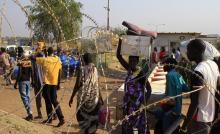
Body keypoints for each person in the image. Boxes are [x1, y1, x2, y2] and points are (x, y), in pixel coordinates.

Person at [181, 39, 219, 134]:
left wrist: (184, 126)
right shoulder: (213, 65)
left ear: (197, 51)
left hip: (199, 119)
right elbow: (217, 92)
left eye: (189, 50)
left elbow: (194, 103)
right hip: (211, 116)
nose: (187, 53)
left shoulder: (198, 72)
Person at [117, 39, 151, 134]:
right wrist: (120, 42)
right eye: (130, 60)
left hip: (137, 105)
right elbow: (118, 56)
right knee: (128, 127)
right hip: (128, 105)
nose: (131, 62)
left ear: (137, 61)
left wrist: (143, 104)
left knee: (137, 128)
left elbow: (149, 89)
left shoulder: (140, 73)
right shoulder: (129, 69)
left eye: (133, 60)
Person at [69, 53, 103, 134]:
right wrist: (100, 98)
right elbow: (97, 84)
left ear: (84, 60)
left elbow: (77, 85)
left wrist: (72, 97)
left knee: (81, 116)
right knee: (93, 116)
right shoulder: (95, 69)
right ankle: (91, 131)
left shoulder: (82, 69)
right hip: (94, 97)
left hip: (83, 98)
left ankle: (87, 130)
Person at [153, 58, 188, 134]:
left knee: (166, 131)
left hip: (170, 111)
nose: (163, 66)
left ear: (169, 65)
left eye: (165, 64)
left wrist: (159, 108)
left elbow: (170, 99)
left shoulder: (169, 75)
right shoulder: (179, 75)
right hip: (178, 110)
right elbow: (186, 88)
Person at [36, 47, 65, 127]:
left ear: (47, 53)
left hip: (47, 83)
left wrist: (39, 49)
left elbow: (34, 58)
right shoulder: (57, 60)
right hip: (55, 83)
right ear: (53, 52)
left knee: (48, 100)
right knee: (53, 100)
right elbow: (59, 72)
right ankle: (59, 117)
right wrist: (59, 83)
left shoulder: (45, 59)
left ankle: (51, 117)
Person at [14, 47, 33, 121]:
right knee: (27, 97)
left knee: (24, 97)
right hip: (28, 80)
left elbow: (19, 72)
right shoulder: (28, 60)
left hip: (22, 81)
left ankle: (30, 114)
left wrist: (16, 82)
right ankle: (30, 113)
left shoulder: (20, 60)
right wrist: (32, 80)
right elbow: (31, 71)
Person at [31, 42, 45, 119]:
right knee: (41, 97)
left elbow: (33, 71)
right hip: (41, 81)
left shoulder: (38, 57)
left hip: (39, 81)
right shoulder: (42, 57)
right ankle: (40, 113)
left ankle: (51, 114)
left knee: (42, 97)